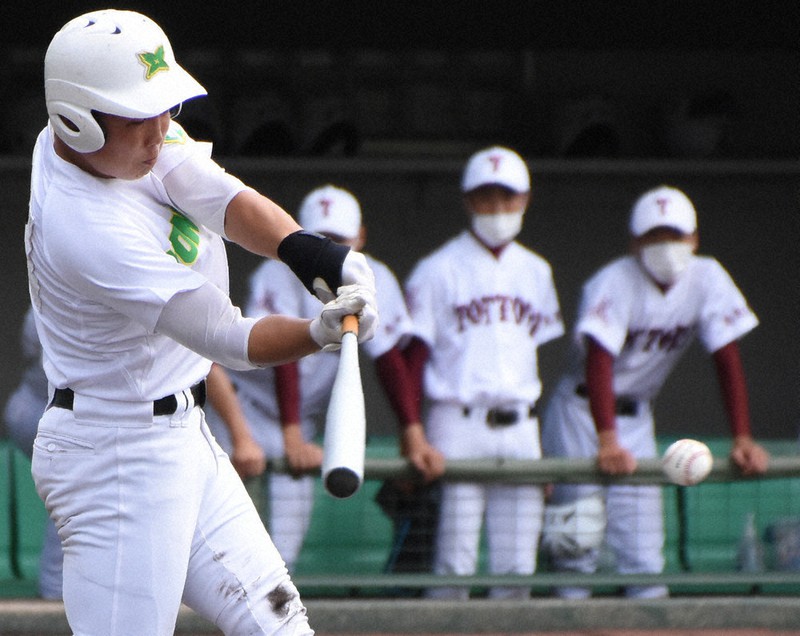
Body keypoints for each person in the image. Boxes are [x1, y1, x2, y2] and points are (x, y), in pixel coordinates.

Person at [27, 10, 378, 635]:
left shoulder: (121, 145)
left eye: (166, 109)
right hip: (115, 455)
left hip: (183, 434)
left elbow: (213, 193)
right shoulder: (84, 227)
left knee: (281, 626)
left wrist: (314, 254)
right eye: (141, 116)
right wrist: (318, 332)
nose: (162, 131)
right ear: (76, 121)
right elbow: (228, 336)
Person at [540, 184, 770, 599]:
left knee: (644, 557)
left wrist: (742, 436)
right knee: (575, 548)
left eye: (675, 236)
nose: (666, 246)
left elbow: (725, 356)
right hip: (581, 413)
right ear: (634, 241)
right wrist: (606, 439)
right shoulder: (612, 281)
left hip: (637, 416)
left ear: (695, 239)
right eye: (654, 236)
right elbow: (599, 360)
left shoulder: (708, 277)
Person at [205, 184, 445, 572]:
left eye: (340, 239)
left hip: (298, 419)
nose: (331, 248)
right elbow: (283, 360)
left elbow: (388, 358)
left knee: (283, 553)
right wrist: (292, 433)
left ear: (360, 237)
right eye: (322, 238)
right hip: (243, 413)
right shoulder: (278, 272)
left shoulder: (372, 275)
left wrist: (412, 431)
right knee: (221, 544)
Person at [403, 145, 565, 600]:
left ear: (526, 199)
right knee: (453, 565)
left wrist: (542, 446)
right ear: (468, 200)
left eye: (507, 196)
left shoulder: (537, 270)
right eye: (486, 196)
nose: (497, 207)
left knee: (518, 570)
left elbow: (532, 358)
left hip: (520, 424)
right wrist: (413, 431)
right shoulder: (435, 269)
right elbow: (414, 360)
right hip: (457, 422)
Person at [3, 307, 63, 600]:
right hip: (40, 409)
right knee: (72, 494)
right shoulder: (52, 295)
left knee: (76, 496)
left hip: (30, 407)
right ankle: (55, 592)